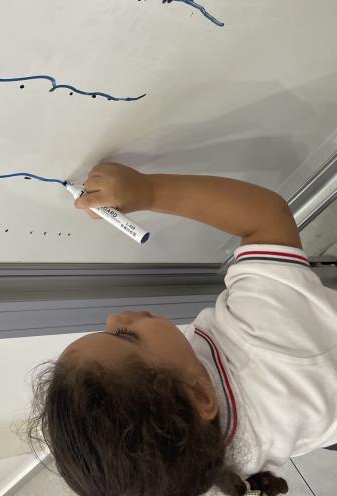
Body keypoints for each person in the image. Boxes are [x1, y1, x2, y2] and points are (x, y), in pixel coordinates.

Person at [26, 162, 337, 496]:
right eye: (125, 336)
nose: (115, 317)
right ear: (200, 396)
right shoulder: (266, 340)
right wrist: (148, 191)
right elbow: (267, 218)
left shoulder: (192, 460)